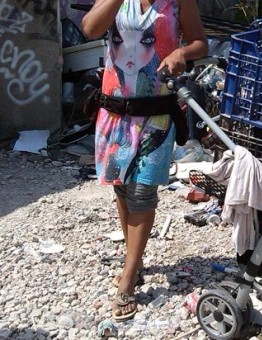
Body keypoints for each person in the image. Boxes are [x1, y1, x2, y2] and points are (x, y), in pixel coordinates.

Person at [82, 0, 208, 321]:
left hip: (158, 113)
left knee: (142, 192)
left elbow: (200, 43)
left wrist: (183, 53)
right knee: (121, 187)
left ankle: (127, 281)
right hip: (114, 111)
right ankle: (133, 263)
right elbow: (90, 28)